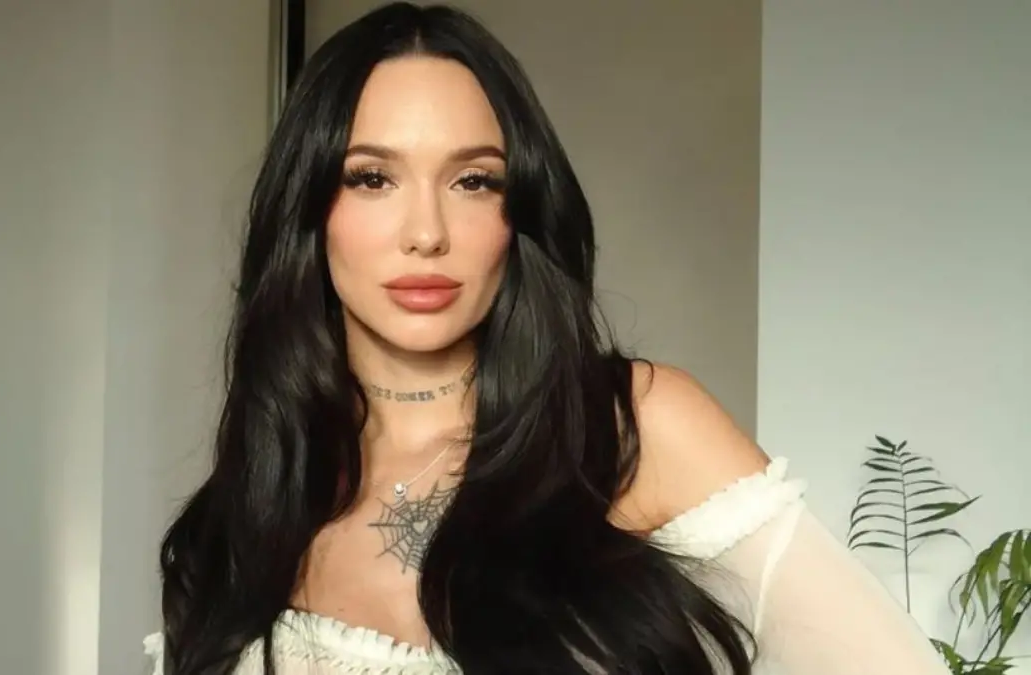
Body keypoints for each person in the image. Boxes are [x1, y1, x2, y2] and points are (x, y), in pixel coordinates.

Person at [144, 3, 951, 673]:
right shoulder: (249, 506)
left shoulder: (631, 426)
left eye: (473, 180)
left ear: (519, 209)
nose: (426, 232)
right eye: (372, 177)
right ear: (310, 209)